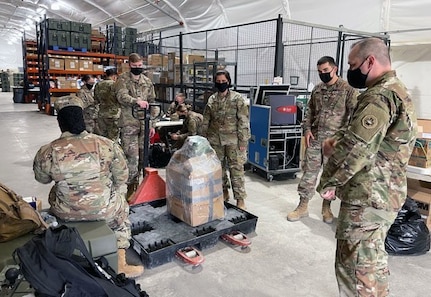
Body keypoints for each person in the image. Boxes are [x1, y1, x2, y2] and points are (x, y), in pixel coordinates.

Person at [317, 38, 417, 296]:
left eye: (352, 64)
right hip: (384, 194)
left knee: (358, 269)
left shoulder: (380, 96)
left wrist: (329, 182)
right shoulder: (398, 90)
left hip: (368, 198)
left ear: (369, 61)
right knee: (369, 262)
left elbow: (357, 148)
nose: (351, 70)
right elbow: (370, 138)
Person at [33, 96, 144, 278]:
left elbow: (42, 179)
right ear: (83, 118)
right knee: (122, 210)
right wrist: (105, 189)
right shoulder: (107, 145)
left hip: (65, 211)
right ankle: (120, 264)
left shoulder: (47, 151)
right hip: (105, 210)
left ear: (60, 123)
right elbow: (122, 177)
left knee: (55, 191)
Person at [287, 56, 358, 223]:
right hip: (316, 138)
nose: (323, 74)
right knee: (308, 173)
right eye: (320, 72)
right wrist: (307, 129)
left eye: (326, 70)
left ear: (335, 69)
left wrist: (344, 140)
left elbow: (354, 116)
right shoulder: (317, 90)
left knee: (330, 175)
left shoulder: (348, 90)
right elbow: (309, 111)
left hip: (334, 142)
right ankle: (302, 206)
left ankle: (326, 207)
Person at [201, 69, 250, 209]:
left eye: (224, 81)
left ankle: (240, 199)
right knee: (218, 169)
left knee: (237, 170)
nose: (221, 84)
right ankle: (223, 192)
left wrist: (243, 141)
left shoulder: (237, 99)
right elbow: (206, 120)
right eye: (218, 82)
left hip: (233, 141)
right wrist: (203, 140)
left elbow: (243, 121)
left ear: (229, 82)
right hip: (215, 141)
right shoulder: (212, 99)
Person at [114, 53, 156, 199]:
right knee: (132, 159)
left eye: (140, 66)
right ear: (129, 65)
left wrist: (152, 124)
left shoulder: (147, 81)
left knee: (145, 158)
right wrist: (136, 101)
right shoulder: (123, 79)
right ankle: (130, 193)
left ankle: (145, 190)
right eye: (135, 66)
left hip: (145, 125)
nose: (138, 68)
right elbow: (121, 96)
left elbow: (152, 102)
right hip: (129, 124)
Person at [94, 68, 120, 141]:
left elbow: (96, 99)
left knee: (102, 138)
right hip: (114, 114)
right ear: (114, 76)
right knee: (113, 139)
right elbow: (120, 98)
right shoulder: (115, 85)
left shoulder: (98, 84)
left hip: (102, 114)